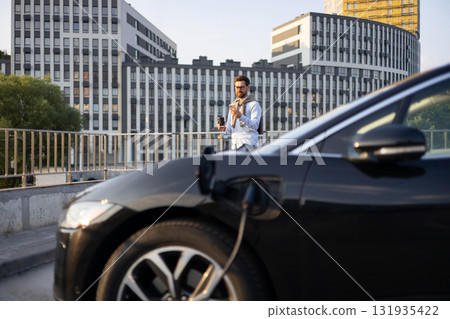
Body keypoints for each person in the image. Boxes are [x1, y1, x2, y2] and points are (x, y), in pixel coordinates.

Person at [217, 75, 262, 150]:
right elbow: (230, 127)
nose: (239, 90)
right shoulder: (234, 105)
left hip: (249, 145)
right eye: (237, 87)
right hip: (235, 146)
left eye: (242, 87)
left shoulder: (254, 104)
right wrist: (224, 128)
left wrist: (240, 117)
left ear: (248, 87)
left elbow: (255, 125)